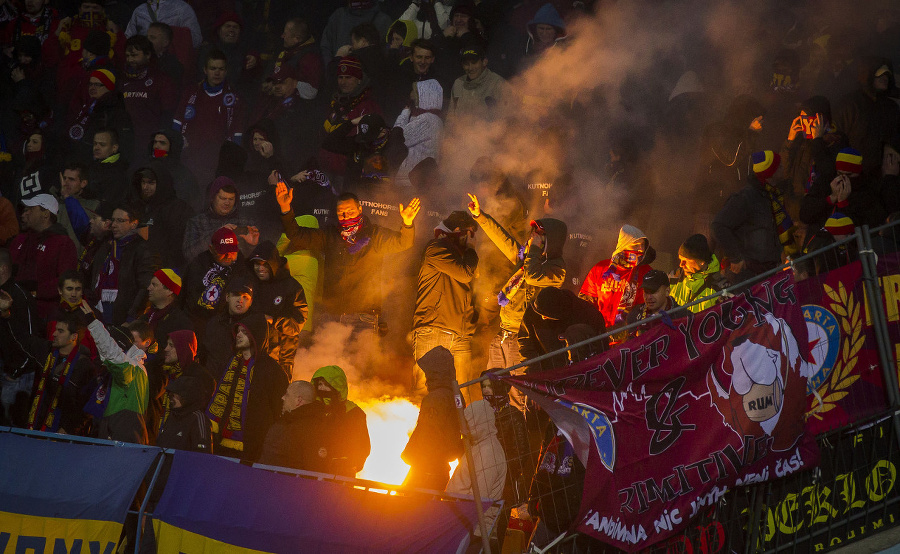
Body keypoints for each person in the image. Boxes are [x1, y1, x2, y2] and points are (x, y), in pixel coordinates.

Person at [275, 181, 419, 331]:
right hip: (331, 316)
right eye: (340, 213)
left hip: (364, 318)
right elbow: (297, 235)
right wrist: (285, 208)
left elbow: (404, 242)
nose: (345, 216)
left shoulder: (375, 235)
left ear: (360, 209)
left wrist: (408, 223)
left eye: (350, 211)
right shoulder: (330, 235)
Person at [467, 193, 566, 384]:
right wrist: (480, 216)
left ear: (550, 241)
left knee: (519, 394)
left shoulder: (556, 269)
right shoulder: (525, 257)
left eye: (538, 236)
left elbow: (532, 275)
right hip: (502, 335)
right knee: (495, 391)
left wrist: (534, 251)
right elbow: (502, 239)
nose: (532, 239)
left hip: (524, 340)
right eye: (533, 235)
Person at [412, 211, 478, 395]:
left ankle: (459, 425)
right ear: (458, 231)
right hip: (433, 330)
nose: (471, 240)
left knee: (462, 396)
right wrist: (472, 251)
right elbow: (464, 275)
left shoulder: (462, 257)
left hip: (461, 334)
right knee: (426, 393)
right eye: (470, 234)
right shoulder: (436, 249)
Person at [206, 314, 287, 461]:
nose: (238, 335)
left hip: (253, 446)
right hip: (220, 442)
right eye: (238, 331)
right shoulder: (229, 363)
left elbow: (278, 408)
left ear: (256, 335)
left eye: (244, 332)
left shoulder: (271, 369)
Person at [712, 151, 789, 283]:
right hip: (748, 276)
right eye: (779, 166)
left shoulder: (772, 196)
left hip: (769, 273)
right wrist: (736, 257)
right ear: (771, 172)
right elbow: (719, 225)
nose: (783, 168)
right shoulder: (745, 198)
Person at [81, 301, 153, 444]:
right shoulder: (115, 371)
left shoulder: (134, 367)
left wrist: (94, 324)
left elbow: (112, 354)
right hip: (115, 434)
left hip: (124, 440)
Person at [174, 50, 245, 186]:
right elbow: (177, 123)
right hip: (189, 158)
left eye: (221, 69)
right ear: (205, 70)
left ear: (226, 71)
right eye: (213, 68)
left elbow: (237, 132)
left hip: (218, 162)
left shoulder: (234, 98)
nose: (217, 73)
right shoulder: (191, 93)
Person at [446, 399, 507, 548]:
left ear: (478, 423)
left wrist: (455, 515)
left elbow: (479, 497)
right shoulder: (478, 446)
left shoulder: (488, 452)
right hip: (462, 523)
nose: (463, 429)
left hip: (472, 528)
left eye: (468, 424)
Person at [402, 346, 462, 490]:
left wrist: (411, 453)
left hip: (426, 467)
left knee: (407, 505)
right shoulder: (455, 394)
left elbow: (427, 431)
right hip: (441, 466)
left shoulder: (435, 398)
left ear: (436, 372)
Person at [24, 314, 96, 434]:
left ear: (74, 336)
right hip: (35, 427)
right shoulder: (46, 353)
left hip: (62, 435)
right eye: (56, 329)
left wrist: (66, 429)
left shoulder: (84, 366)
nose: (54, 334)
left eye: (60, 331)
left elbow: (86, 404)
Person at [9, 193, 78, 319]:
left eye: (31, 209)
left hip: (45, 314)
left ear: (46, 214)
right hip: (14, 308)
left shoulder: (63, 243)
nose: (26, 213)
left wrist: (35, 292)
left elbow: (66, 280)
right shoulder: (20, 240)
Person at [90, 202, 158, 325]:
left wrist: (132, 318)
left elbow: (145, 288)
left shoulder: (142, 250)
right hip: (99, 312)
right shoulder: (106, 246)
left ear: (134, 224)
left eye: (120, 221)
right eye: (113, 220)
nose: (114, 225)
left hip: (122, 317)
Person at [248, 241, 308, 376]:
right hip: (254, 352)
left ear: (273, 263)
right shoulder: (252, 285)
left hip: (281, 357)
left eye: (264, 264)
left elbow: (297, 325)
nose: (259, 268)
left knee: (278, 394)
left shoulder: (292, 288)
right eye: (256, 264)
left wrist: (273, 320)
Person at [833, 58, 900, 179]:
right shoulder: (849, 104)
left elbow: (895, 136)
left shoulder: (891, 108)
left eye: (887, 76)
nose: (885, 78)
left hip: (882, 178)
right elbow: (835, 138)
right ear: (867, 77)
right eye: (879, 75)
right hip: (854, 176)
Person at [579, 224, 655, 329]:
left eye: (643, 245)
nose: (641, 249)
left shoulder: (646, 272)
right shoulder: (601, 268)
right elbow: (585, 303)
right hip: (600, 334)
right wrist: (591, 327)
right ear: (624, 245)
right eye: (635, 245)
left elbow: (648, 308)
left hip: (630, 336)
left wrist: (628, 329)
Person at [319, 56, 382, 178]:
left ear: (359, 79)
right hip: (327, 172)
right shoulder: (335, 103)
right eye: (340, 77)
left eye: (348, 77)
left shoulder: (368, 106)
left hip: (350, 175)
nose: (343, 82)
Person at [181, 227, 249, 334]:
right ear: (211, 249)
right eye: (222, 252)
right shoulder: (198, 264)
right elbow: (183, 295)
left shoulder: (243, 269)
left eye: (232, 251)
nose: (228, 256)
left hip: (225, 328)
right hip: (194, 323)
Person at [0, 249, 41, 426]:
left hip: (17, 375)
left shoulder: (20, 297)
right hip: (5, 369)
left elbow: (32, 340)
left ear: (2, 268)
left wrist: (16, 372)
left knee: (12, 426)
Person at [182, 176, 259, 262]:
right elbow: (189, 255)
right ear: (212, 198)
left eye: (231, 199)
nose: (227, 203)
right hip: (207, 272)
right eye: (223, 198)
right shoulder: (197, 222)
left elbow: (256, 262)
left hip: (237, 272)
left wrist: (251, 245)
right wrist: (216, 235)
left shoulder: (246, 222)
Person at [312, 365, 371, 476]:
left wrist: (348, 465)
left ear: (338, 386)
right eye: (319, 384)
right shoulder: (311, 410)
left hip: (341, 474)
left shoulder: (354, 413)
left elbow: (363, 447)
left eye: (327, 385)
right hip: (312, 471)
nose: (322, 389)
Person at [130, 164, 193, 269]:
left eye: (151, 183)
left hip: (165, 272)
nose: (145, 187)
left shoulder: (177, 209)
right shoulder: (137, 206)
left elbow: (178, 248)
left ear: (162, 183)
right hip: (140, 269)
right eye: (143, 182)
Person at [121, 34, 178, 150]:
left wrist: (160, 141)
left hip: (151, 141)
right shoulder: (122, 79)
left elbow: (168, 113)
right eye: (127, 56)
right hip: (126, 141)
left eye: (134, 55)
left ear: (148, 55)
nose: (130, 59)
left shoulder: (161, 79)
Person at [258, 380, 329, 471]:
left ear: (299, 400)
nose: (283, 397)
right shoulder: (286, 422)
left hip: (283, 483)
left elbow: (314, 471)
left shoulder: (312, 431)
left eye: (287, 394)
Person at [393, 79, 444, 188]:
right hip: (418, 180)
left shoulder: (427, 119)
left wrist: (404, 113)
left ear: (425, 96)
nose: (412, 96)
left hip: (410, 181)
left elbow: (397, 137)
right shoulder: (435, 119)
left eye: (416, 93)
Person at [449, 43, 509, 121]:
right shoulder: (458, 83)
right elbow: (451, 117)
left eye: (474, 62)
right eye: (466, 64)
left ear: (484, 62)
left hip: (489, 132)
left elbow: (509, 118)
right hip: (461, 132)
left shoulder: (498, 83)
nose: (470, 68)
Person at [670, 234, 728, 313]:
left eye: (685, 261)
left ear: (701, 262)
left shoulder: (720, 286)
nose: (681, 265)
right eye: (680, 259)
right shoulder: (674, 277)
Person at [156, 375, 213, 452]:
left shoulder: (198, 419)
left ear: (188, 397)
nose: (171, 397)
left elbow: (203, 454)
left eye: (176, 394)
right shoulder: (173, 415)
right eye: (170, 394)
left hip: (183, 463)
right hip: (164, 462)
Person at [124, 0, 202, 48]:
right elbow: (129, 39)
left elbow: (196, 41)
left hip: (172, 64)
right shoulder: (139, 11)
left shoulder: (182, 8)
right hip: (147, 64)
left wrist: (169, 39)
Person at [626, 269, 679, 338]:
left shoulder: (681, 316)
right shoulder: (634, 314)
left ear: (667, 291)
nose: (649, 297)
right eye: (646, 291)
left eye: (653, 291)